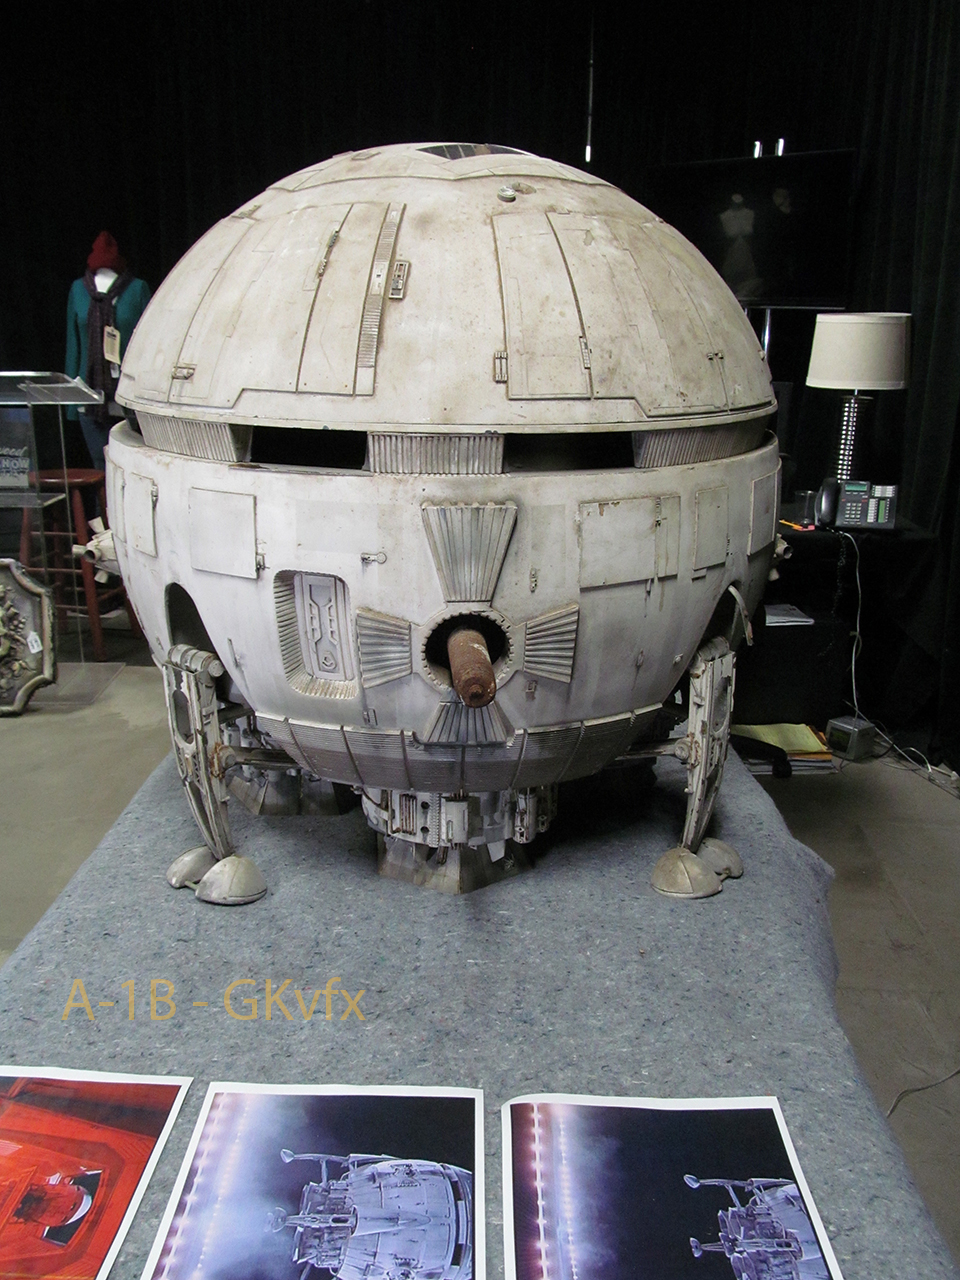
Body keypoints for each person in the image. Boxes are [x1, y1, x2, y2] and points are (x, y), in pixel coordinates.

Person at [65, 232, 150, 470]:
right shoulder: (78, 290)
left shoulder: (137, 289)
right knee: (99, 464)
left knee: (131, 467)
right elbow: (73, 346)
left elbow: (147, 344)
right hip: (88, 395)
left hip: (127, 395)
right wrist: (70, 403)